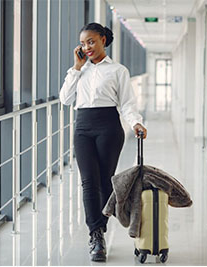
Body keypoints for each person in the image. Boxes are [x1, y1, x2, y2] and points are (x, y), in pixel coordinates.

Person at [59, 22, 147, 262]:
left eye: (91, 41)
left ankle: (102, 226)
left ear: (103, 41)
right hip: (83, 128)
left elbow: (127, 103)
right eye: (83, 43)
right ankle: (96, 234)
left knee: (106, 181)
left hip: (109, 127)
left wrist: (136, 123)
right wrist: (76, 68)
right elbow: (65, 99)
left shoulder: (118, 70)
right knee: (89, 181)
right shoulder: (79, 70)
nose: (87, 47)